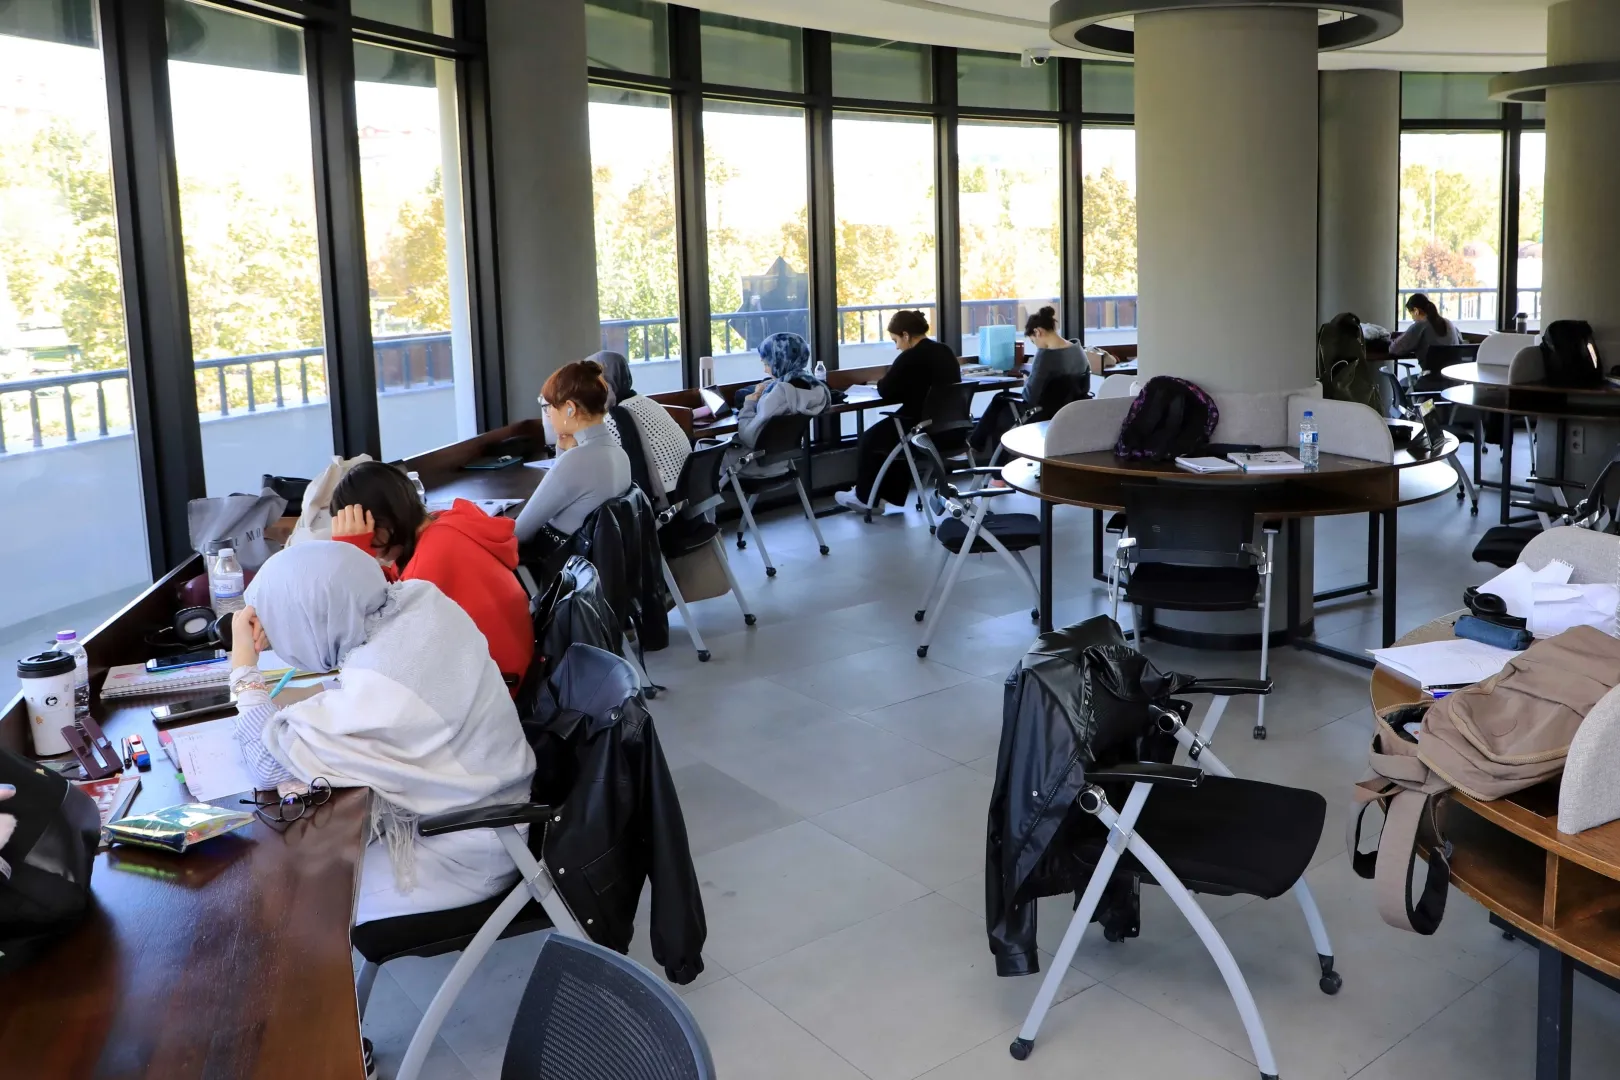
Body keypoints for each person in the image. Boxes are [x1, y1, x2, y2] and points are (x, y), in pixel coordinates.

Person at [227, 541, 536, 926]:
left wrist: (244, 670)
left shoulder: (384, 684)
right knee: (297, 867)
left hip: (466, 849)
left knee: (290, 899)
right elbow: (370, 693)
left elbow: (265, 763)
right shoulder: (419, 601)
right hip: (477, 810)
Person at [329, 462, 532, 690]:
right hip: (509, 669)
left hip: (499, 687)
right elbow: (395, 585)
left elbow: (376, 641)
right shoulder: (443, 526)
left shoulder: (433, 556)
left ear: (381, 522)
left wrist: (353, 556)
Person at [834, 309, 960, 513]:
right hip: (951, 430)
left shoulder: (910, 356)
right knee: (893, 436)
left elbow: (886, 390)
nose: (897, 347)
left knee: (871, 439)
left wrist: (880, 382)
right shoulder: (945, 350)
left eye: (896, 340)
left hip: (922, 430)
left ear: (906, 335)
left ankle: (866, 498)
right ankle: (885, 496)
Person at [514, 359, 632, 557]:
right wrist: (563, 449)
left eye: (548, 407)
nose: (548, 415)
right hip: (599, 563)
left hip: (560, 563)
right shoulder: (618, 453)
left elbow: (519, 532)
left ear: (570, 408)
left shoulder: (576, 461)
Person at [969, 306, 1090, 457]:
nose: (1036, 345)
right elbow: (1084, 387)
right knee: (1002, 405)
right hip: (1070, 412)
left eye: (1034, 341)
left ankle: (976, 448)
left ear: (1038, 332)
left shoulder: (1045, 356)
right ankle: (978, 449)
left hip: (1041, 414)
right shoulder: (1078, 349)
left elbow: (1029, 397)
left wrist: (1028, 380)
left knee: (999, 400)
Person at [728, 332, 830, 478]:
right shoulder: (812, 387)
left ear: (779, 362)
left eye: (767, 364)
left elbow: (748, 437)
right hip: (782, 463)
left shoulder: (778, 396)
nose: (765, 370)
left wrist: (750, 403)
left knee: (703, 448)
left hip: (753, 464)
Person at [595, 350, 691, 504]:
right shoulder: (649, 403)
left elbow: (607, 470)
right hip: (689, 490)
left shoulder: (615, 418)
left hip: (663, 499)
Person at [1391, 292, 1464, 366]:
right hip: (1451, 372)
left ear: (1416, 311)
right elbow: (1461, 344)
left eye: (1411, 314)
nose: (1413, 318)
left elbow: (1394, 349)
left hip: (1431, 373)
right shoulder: (1449, 323)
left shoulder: (1420, 325)